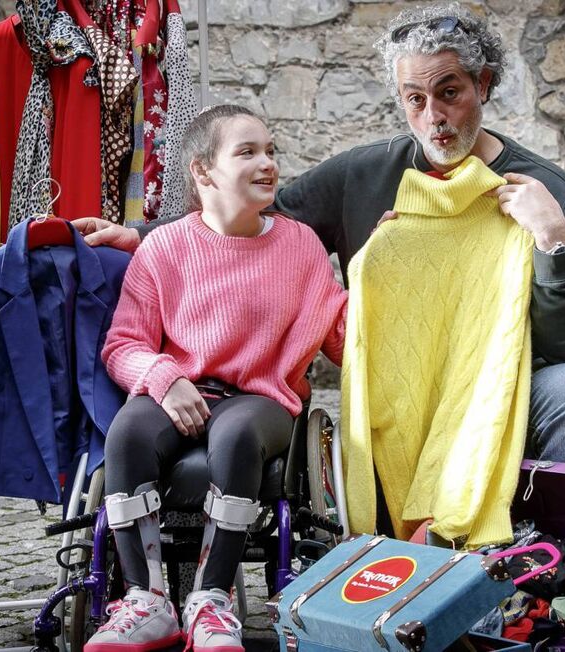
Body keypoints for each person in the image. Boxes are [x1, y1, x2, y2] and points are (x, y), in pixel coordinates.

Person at [74, 2, 565, 470]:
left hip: (502, 384)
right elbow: (257, 214)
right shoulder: (363, 174)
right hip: (395, 385)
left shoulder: (545, 191)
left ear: (485, 85)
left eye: (449, 93)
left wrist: (553, 242)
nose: (434, 117)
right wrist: (145, 235)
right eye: (415, 99)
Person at [86, 105, 347, 652]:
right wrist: (163, 376)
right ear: (203, 172)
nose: (268, 163)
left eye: (271, 150)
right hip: (180, 389)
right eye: (248, 152)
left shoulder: (300, 246)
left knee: (234, 435)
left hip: (261, 398)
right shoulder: (164, 247)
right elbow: (123, 345)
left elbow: (339, 338)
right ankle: (147, 600)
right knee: (128, 433)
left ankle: (211, 602)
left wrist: (379, 275)